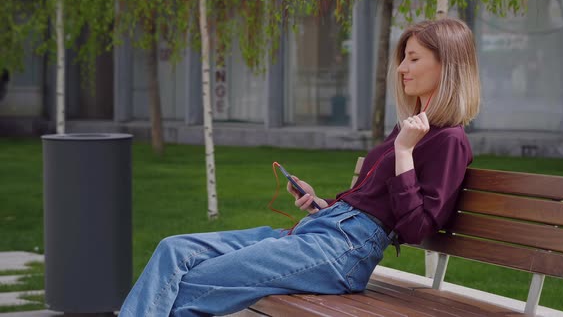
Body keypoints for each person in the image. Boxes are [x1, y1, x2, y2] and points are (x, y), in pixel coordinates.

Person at [119, 17, 480, 317]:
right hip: (321, 230)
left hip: (344, 252)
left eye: (413, 59)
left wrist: (404, 154)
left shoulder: (448, 140)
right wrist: (321, 203)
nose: (401, 68)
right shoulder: (410, 127)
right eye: (404, 58)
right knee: (174, 249)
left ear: (446, 64)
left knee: (199, 282)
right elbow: (373, 200)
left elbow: (416, 227)